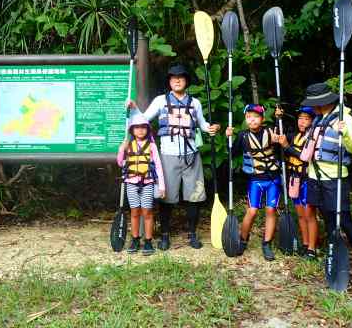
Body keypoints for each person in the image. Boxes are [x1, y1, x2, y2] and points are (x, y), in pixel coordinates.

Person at [128, 64, 220, 250]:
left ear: (186, 81)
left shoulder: (195, 103)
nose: (177, 80)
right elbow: (143, 119)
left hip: (191, 155)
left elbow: (202, 124)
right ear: (169, 82)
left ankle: (192, 234)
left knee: (194, 196)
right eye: (173, 78)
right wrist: (134, 108)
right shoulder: (161, 101)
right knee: (167, 197)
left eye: (181, 77)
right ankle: (164, 235)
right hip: (168, 156)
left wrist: (212, 128)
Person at [299, 82, 352, 288]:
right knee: (328, 221)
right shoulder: (319, 118)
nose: (311, 107)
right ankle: (336, 260)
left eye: (314, 104)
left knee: (346, 222)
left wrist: (345, 133)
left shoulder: (344, 119)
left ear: (323, 102)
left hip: (334, 178)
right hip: (315, 177)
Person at [225, 104, 281, 261]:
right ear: (245, 119)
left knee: (271, 210)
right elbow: (231, 153)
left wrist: (278, 124)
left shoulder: (271, 131)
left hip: (273, 178)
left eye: (256, 117)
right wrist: (228, 138)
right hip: (256, 179)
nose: (252, 120)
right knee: (252, 211)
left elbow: (282, 146)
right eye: (249, 117)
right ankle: (243, 240)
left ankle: (267, 244)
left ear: (262, 119)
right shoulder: (243, 136)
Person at [117, 113, 165, 256]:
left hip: (147, 183)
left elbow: (158, 166)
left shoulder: (152, 146)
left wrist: (162, 186)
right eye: (137, 127)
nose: (140, 130)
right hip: (131, 183)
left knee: (147, 212)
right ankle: (135, 239)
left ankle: (148, 241)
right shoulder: (128, 145)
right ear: (132, 130)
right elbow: (120, 163)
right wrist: (121, 149)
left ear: (147, 129)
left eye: (143, 127)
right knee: (135, 212)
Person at [277, 106, 317, 259]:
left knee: (309, 215)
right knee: (300, 214)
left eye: (306, 119)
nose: (302, 122)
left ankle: (312, 249)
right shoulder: (294, 135)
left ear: (312, 121)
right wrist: (278, 118)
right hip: (294, 179)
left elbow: (304, 156)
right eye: (300, 118)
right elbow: (278, 135)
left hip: (307, 180)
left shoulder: (313, 137)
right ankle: (306, 244)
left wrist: (287, 147)